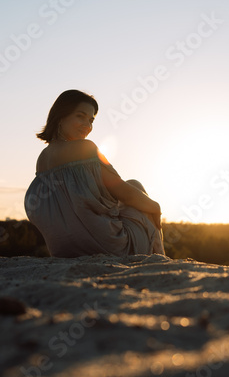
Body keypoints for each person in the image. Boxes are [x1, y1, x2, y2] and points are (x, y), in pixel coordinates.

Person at [24, 89, 165, 258]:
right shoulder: (85, 148)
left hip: (64, 251)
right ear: (61, 116)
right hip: (109, 247)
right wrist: (156, 207)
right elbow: (124, 192)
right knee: (135, 185)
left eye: (91, 120)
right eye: (80, 116)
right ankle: (161, 258)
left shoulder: (42, 160)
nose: (87, 125)